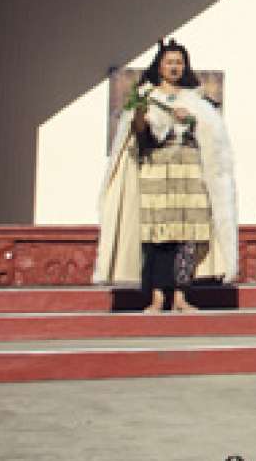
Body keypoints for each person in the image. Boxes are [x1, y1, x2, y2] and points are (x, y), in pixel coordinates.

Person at [93, 39, 239, 311]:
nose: (174, 67)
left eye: (179, 62)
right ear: (159, 66)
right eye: (169, 62)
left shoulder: (196, 100)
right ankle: (158, 296)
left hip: (190, 171)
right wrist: (139, 114)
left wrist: (192, 120)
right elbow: (139, 134)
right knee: (159, 237)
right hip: (157, 171)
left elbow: (211, 137)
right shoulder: (148, 97)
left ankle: (182, 296)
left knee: (188, 237)